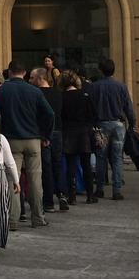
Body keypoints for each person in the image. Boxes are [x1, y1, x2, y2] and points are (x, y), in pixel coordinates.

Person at [0, 60, 54, 229]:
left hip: (11, 140)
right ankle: (38, 217)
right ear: (25, 73)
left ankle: (12, 220)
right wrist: (45, 134)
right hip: (33, 139)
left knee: (13, 179)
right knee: (35, 180)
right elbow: (49, 114)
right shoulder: (34, 91)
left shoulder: (2, 91)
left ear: (10, 72)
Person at [87, 58, 136, 200]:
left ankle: (100, 188)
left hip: (101, 125)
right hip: (118, 125)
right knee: (117, 157)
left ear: (100, 70)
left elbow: (90, 108)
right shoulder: (121, 87)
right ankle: (117, 190)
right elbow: (128, 107)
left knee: (101, 156)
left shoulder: (94, 87)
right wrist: (132, 123)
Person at [31, 67, 66, 212]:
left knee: (46, 168)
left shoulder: (37, 94)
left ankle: (48, 202)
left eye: (32, 78)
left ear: (40, 78)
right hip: (58, 132)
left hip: (44, 134)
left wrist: (44, 135)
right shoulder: (58, 94)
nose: (30, 80)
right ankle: (62, 194)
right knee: (57, 164)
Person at [59, 70, 97, 204]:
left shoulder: (62, 97)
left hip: (69, 133)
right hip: (84, 133)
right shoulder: (85, 96)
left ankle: (72, 195)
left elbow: (60, 116)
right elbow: (92, 115)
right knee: (86, 164)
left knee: (70, 166)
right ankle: (90, 195)